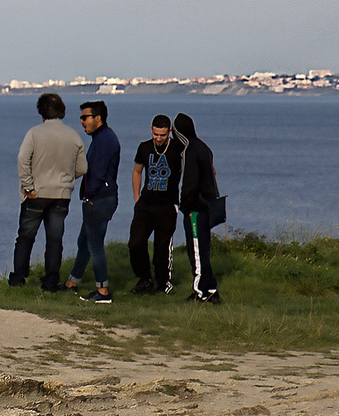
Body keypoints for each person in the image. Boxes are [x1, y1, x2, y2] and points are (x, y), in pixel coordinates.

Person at [10, 92, 87, 291]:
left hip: (36, 193)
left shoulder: (35, 133)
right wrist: (65, 180)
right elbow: (82, 168)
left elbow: (22, 160)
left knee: (26, 236)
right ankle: (51, 282)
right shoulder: (74, 136)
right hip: (61, 195)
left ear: (41, 112)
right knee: (54, 240)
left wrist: (28, 187)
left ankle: (18, 278)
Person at [62, 100, 120, 303]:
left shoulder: (105, 139)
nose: (81, 121)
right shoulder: (101, 137)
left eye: (84, 117)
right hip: (99, 198)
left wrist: (89, 195)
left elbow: (98, 173)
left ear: (98, 118)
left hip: (99, 199)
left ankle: (102, 292)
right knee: (84, 243)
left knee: (94, 245)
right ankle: (72, 283)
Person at [128, 114, 185, 295]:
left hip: (167, 206)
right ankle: (145, 278)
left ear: (169, 132)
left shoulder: (178, 148)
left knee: (162, 248)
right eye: (156, 134)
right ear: (151, 131)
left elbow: (191, 169)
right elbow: (137, 171)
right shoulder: (144, 147)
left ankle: (163, 283)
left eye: (162, 135)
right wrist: (137, 198)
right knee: (135, 243)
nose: (159, 139)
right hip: (145, 205)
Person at [174, 112, 221, 303]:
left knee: (196, 252)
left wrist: (184, 206)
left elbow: (190, 184)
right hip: (208, 206)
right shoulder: (204, 148)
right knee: (204, 249)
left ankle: (200, 292)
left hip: (195, 209)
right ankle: (210, 289)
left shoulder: (190, 151)